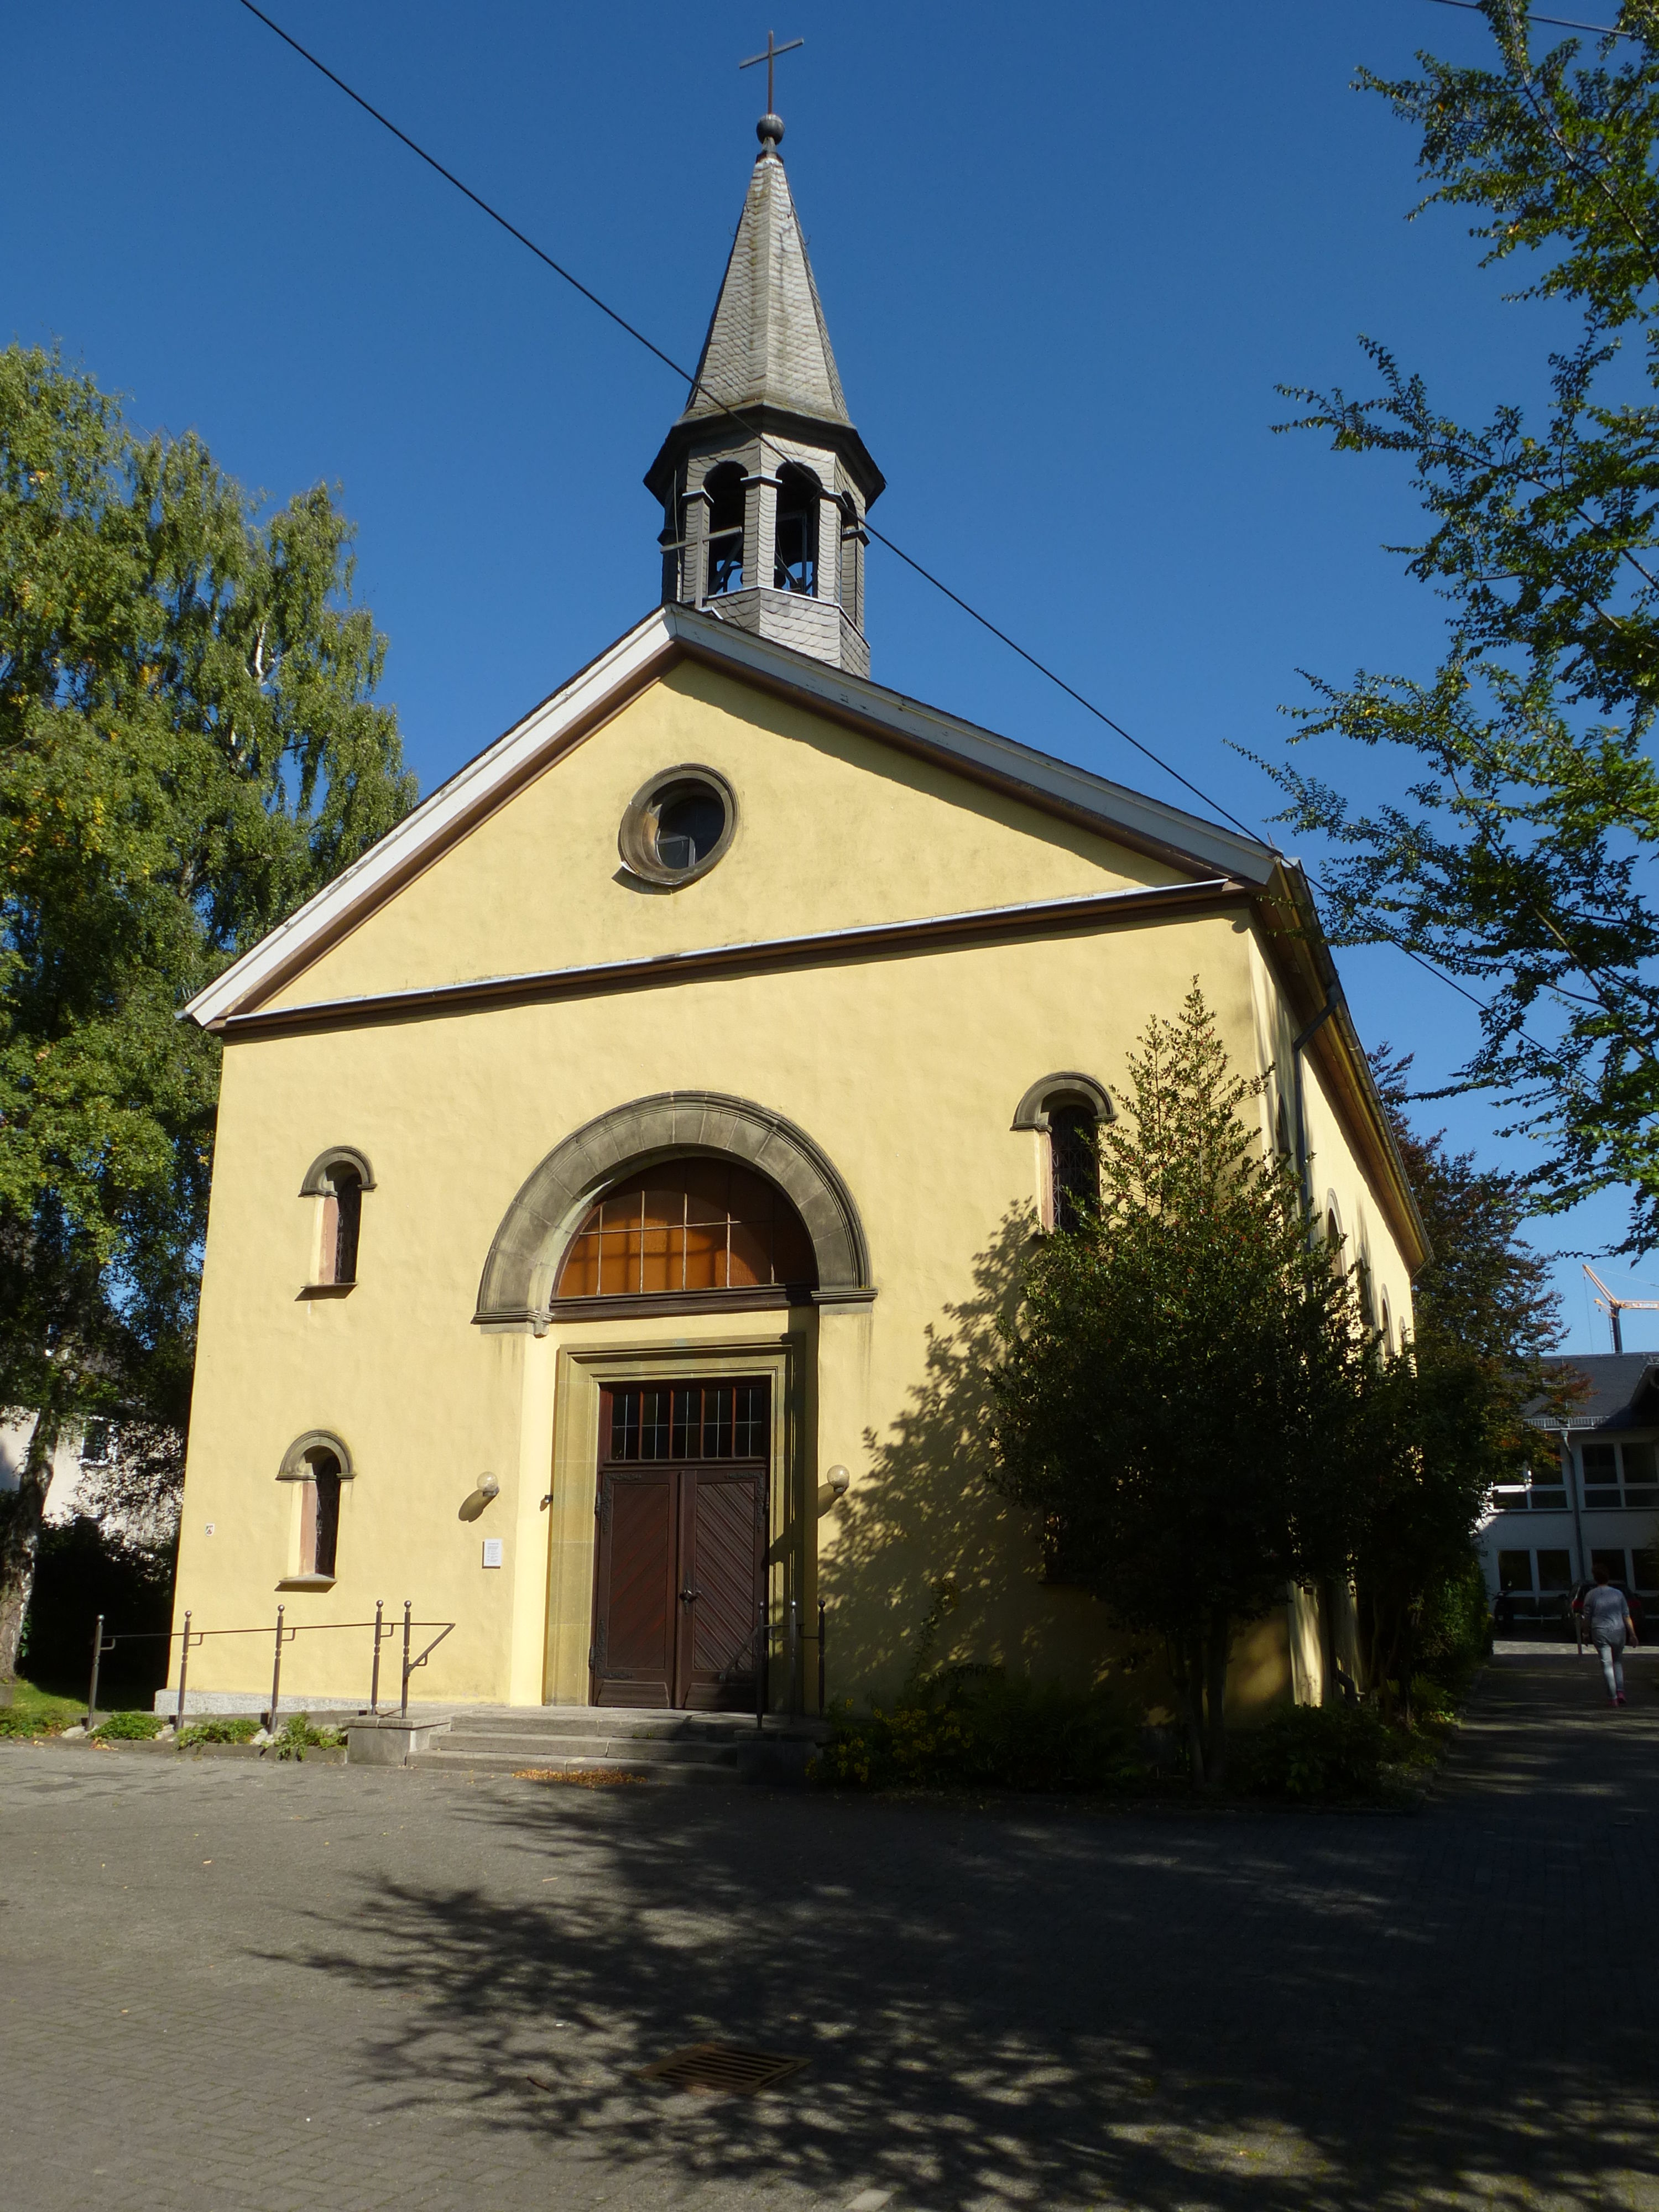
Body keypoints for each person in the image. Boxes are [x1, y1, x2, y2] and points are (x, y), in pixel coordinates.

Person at [1582, 1564, 1638, 1707]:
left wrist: (1586, 1633)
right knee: (1618, 1662)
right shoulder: (1618, 1594)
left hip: (1600, 1631)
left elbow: (1587, 1617)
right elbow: (1626, 1615)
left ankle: (1612, 1698)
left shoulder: (1591, 1595)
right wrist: (1632, 1634)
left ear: (1595, 1578)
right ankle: (1620, 1692)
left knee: (1607, 1665)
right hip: (1619, 1631)